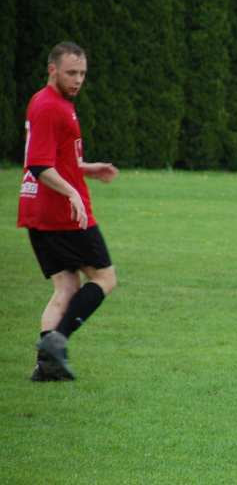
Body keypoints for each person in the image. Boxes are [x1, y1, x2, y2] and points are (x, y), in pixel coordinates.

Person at [18, 41, 118, 381]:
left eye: (82, 74)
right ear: (53, 70)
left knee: (65, 287)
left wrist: (86, 169)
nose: (77, 80)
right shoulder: (50, 107)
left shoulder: (51, 102)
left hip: (38, 211)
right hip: (62, 213)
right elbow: (39, 165)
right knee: (104, 278)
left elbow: (58, 158)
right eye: (71, 73)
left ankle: (47, 367)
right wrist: (73, 192)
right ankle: (57, 343)